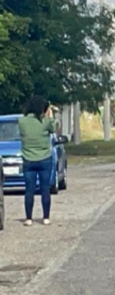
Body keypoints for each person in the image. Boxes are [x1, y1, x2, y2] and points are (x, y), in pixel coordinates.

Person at [17, 96, 56, 226]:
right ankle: (46, 218)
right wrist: (50, 116)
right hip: (44, 158)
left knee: (29, 190)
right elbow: (53, 128)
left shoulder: (22, 121)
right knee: (45, 189)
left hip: (28, 159)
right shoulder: (45, 122)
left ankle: (28, 218)